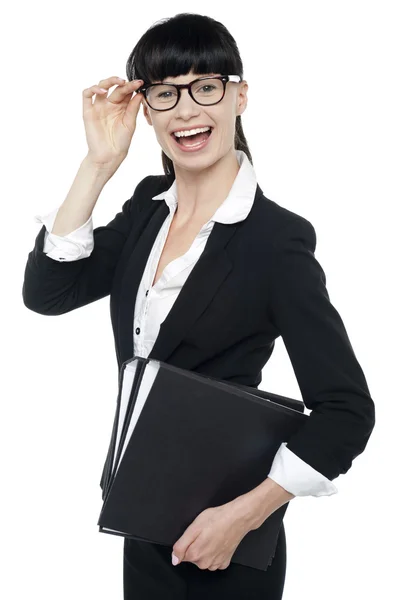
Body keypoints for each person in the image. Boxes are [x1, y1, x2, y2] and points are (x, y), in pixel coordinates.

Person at [22, 12, 375, 600]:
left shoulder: (275, 240)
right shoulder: (146, 212)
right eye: (165, 93)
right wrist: (98, 165)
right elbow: (48, 293)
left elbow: (346, 411)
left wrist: (245, 515)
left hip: (224, 545)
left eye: (205, 86)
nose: (186, 110)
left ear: (239, 95)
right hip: (142, 519)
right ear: (146, 109)